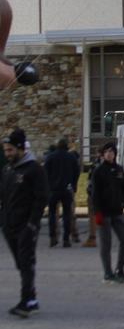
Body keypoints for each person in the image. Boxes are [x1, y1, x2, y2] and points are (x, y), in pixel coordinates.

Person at [0, 127, 49, 317]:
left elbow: (42, 197)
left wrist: (32, 223)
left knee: (26, 261)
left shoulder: (34, 169)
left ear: (20, 149)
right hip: (9, 224)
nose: (7, 154)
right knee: (21, 262)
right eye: (5, 151)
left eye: (10, 150)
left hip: (26, 225)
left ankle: (26, 300)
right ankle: (32, 296)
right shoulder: (7, 169)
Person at [91, 141, 124, 284]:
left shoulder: (119, 170)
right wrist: (97, 212)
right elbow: (94, 194)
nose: (110, 154)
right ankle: (107, 273)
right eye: (107, 152)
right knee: (106, 244)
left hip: (117, 211)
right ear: (103, 154)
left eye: (112, 152)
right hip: (104, 213)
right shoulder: (98, 171)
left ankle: (119, 269)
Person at [44, 137, 80, 248]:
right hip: (67, 188)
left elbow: (45, 173)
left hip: (53, 189)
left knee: (52, 214)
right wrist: (73, 185)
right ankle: (66, 239)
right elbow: (77, 171)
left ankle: (53, 237)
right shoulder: (71, 157)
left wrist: (48, 185)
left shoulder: (50, 157)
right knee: (67, 214)